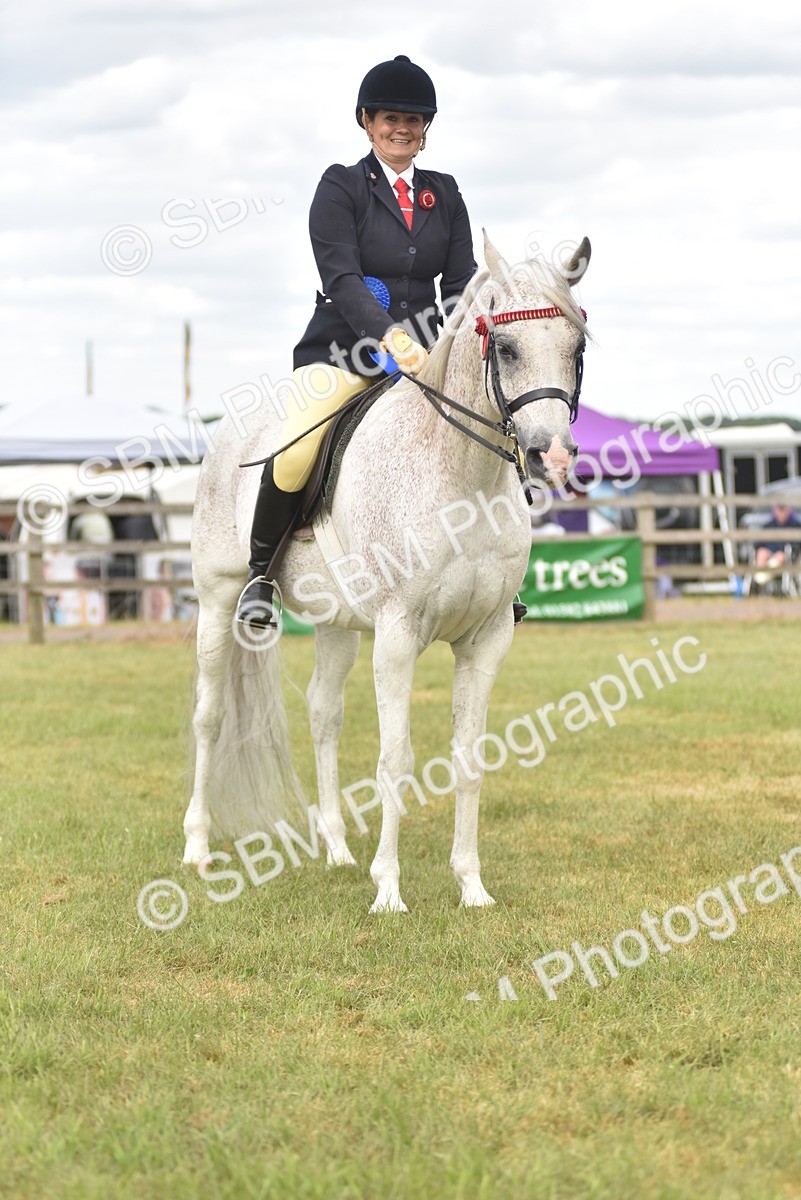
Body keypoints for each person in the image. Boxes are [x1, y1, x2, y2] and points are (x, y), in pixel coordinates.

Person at [236, 54, 477, 626]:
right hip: (342, 353)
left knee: (486, 432)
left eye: (415, 120)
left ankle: (490, 573)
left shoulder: (444, 193)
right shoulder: (342, 186)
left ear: (427, 130)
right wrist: (392, 337)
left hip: (424, 359)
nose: (402, 129)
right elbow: (340, 278)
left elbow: (461, 284)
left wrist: (465, 340)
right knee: (295, 450)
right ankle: (261, 576)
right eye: (391, 117)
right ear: (366, 122)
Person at [753, 501, 801, 582]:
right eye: (778, 509)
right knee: (762, 552)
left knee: (780, 556)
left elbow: (796, 545)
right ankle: (761, 576)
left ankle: (761, 578)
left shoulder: (795, 525)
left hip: (786, 556)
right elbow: (759, 543)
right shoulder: (769, 526)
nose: (780, 512)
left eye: (782, 509)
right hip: (769, 554)